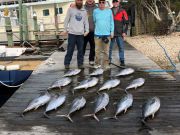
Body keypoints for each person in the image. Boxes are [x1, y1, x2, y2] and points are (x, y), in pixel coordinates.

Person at [63, 0, 89, 69]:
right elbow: (66, 20)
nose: (79, 2)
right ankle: (67, 63)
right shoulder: (70, 9)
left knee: (80, 50)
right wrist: (65, 29)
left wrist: (87, 30)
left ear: (82, 1)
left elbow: (86, 22)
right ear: (75, 1)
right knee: (70, 49)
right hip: (72, 34)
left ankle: (80, 64)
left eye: (80, 1)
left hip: (81, 34)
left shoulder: (84, 11)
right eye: (78, 0)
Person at [93, 0, 114, 70]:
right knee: (97, 51)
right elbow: (94, 21)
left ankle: (106, 64)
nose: (101, 4)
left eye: (103, 2)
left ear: (105, 3)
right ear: (98, 3)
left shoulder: (109, 11)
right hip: (97, 35)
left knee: (106, 51)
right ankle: (97, 63)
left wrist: (112, 31)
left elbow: (112, 22)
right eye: (100, 2)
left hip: (107, 34)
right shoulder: (95, 11)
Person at [109, 0, 129, 67]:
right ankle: (109, 60)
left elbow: (126, 23)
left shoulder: (123, 11)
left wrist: (124, 32)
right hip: (111, 33)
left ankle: (122, 61)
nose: (115, 3)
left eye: (116, 1)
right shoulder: (109, 11)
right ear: (112, 3)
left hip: (120, 33)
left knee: (121, 48)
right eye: (114, 2)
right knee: (109, 47)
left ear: (119, 2)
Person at [83, 0, 97, 66]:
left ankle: (91, 59)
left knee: (93, 46)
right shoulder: (82, 8)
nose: (90, 0)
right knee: (82, 46)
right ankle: (81, 59)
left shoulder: (96, 8)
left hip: (93, 31)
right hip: (84, 31)